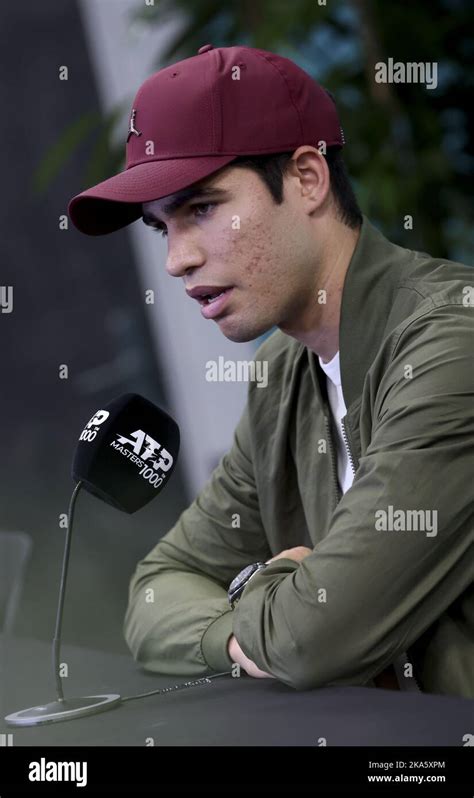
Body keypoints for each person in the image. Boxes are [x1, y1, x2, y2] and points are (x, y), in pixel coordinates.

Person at [68, 45, 473, 697]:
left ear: (308, 178)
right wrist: (252, 619)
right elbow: (155, 591)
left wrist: (266, 609)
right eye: (159, 228)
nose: (177, 260)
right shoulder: (285, 371)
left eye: (201, 208)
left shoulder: (452, 345)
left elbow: (314, 639)